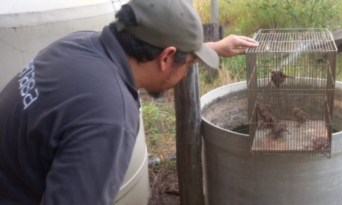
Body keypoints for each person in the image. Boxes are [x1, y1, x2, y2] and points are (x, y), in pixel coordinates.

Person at [0, 0, 258, 204]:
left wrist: (211, 48)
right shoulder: (111, 117)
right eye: (189, 64)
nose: (185, 72)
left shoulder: (78, 44)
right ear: (167, 57)